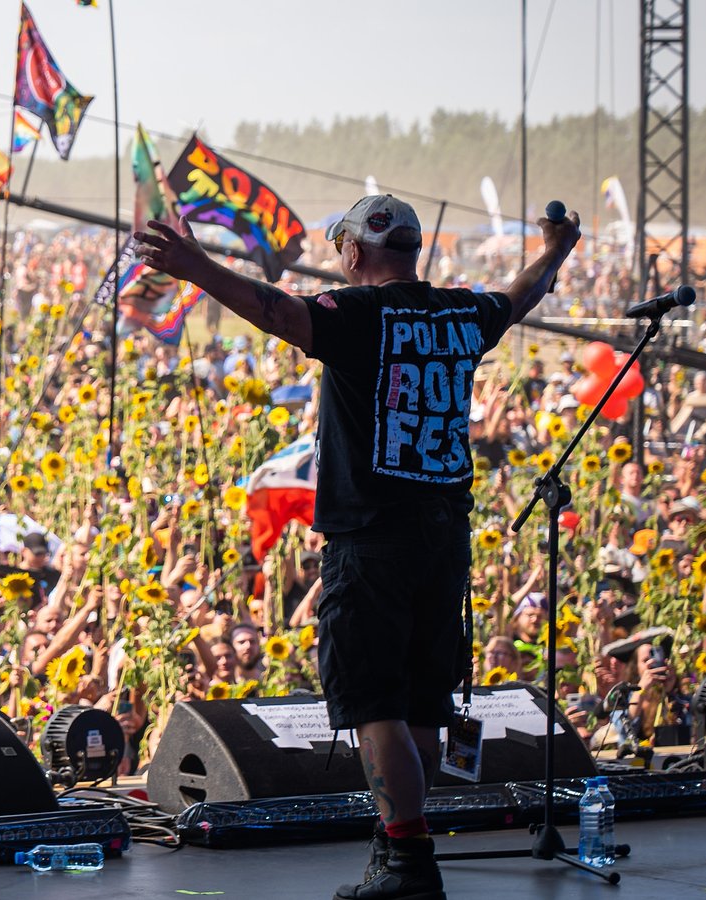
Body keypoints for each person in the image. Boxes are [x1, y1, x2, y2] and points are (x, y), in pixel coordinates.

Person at [136, 193, 581, 900]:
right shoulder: (460, 314)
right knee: (421, 707)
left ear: (351, 251)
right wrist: (554, 251)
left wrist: (196, 267)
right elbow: (518, 296)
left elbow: (278, 312)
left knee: (375, 705)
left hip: (373, 541)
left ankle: (407, 858)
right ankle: (401, 841)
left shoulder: (359, 314)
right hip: (444, 538)